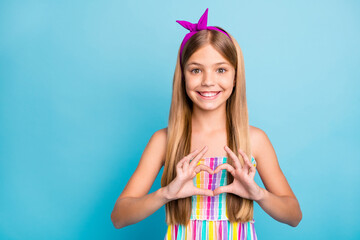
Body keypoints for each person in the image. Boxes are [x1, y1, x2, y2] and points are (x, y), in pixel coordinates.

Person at [111, 8, 302, 239]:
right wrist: (166, 194)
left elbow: (294, 216)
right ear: (182, 76)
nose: (208, 81)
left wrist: (258, 193)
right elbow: (119, 217)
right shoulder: (164, 141)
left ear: (235, 76)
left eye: (221, 70)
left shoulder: (255, 140)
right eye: (196, 70)